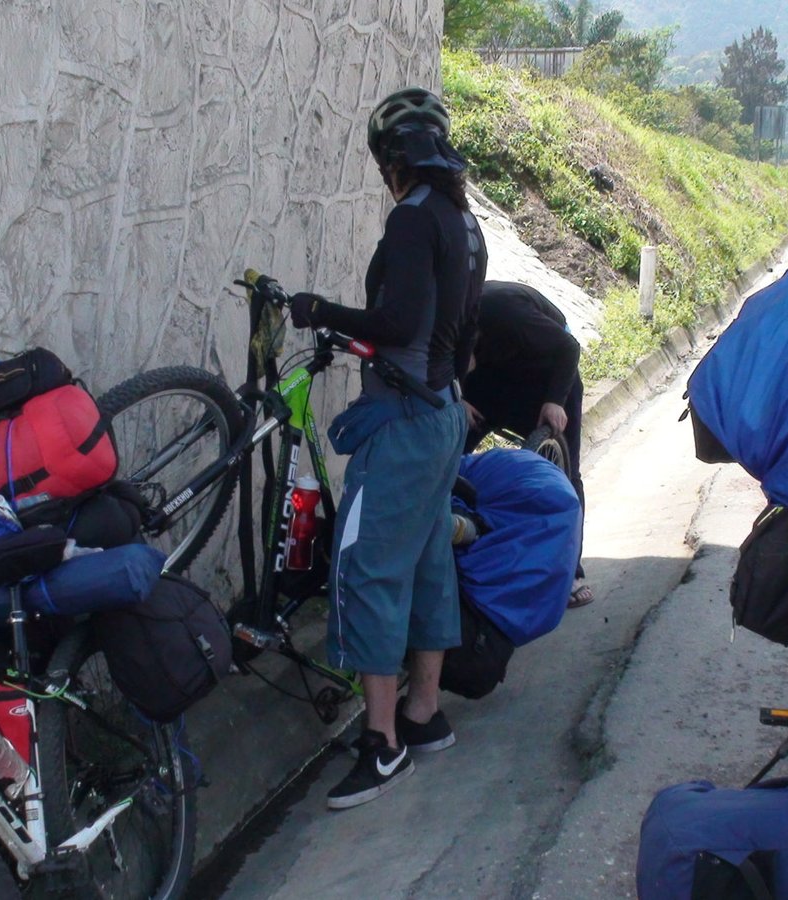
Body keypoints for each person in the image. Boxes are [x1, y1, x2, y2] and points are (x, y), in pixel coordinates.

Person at [286, 87, 487, 810]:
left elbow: (397, 320)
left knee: (366, 565)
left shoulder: (411, 220)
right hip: (442, 415)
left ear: (394, 160)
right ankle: (424, 712)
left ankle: (382, 743)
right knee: (428, 560)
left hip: (402, 424)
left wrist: (319, 311)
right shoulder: (465, 222)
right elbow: (465, 338)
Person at [462, 280, 590, 607]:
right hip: (489, 382)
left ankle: (571, 572)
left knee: (566, 475)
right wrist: (456, 398)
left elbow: (568, 347)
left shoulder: (504, 312)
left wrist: (555, 401)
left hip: (547, 379)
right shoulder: (448, 319)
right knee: (449, 455)